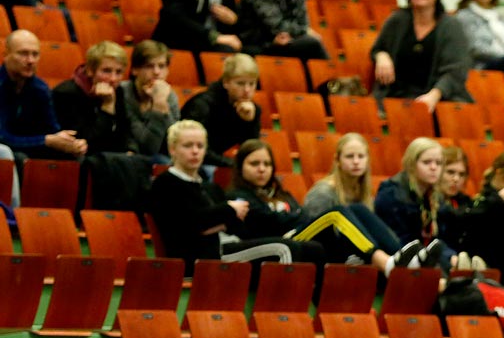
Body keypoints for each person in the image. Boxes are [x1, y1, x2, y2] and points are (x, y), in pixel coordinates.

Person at [147, 119, 323, 272]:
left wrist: (219, 219)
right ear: (172, 149)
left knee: (314, 248)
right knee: (284, 247)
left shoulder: (210, 187)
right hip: (204, 254)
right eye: (188, 146)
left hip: (230, 244)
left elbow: (235, 225)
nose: (195, 151)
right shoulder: (166, 183)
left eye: (200, 146)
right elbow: (188, 225)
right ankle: (281, 308)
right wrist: (227, 211)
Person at [225, 137, 413, 272]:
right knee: (337, 213)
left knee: (357, 209)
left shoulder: (280, 193)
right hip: (280, 241)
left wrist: (290, 217)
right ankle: (385, 262)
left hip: (298, 235)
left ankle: (403, 257)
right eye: (254, 164)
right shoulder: (239, 196)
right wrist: (292, 217)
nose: (262, 169)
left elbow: (292, 216)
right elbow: (268, 221)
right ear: (241, 167)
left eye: (267, 164)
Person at [371, 0, 471, 111]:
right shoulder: (397, 20)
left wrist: (434, 95)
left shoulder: (451, 26)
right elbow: (378, 48)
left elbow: (456, 71)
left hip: (439, 99)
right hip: (394, 97)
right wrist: (381, 55)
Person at [301, 132, 404, 258]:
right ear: (337, 160)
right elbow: (315, 234)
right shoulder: (323, 193)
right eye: (349, 157)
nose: (356, 162)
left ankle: (400, 256)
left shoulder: (364, 193)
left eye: (361, 156)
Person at [0, 30, 85, 163]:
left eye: (35, 54)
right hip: (6, 149)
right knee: (17, 157)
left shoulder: (40, 88)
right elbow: (2, 137)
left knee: (74, 156)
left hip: (29, 146)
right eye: (23, 53)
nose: (30, 60)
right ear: (6, 55)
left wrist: (69, 142)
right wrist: (45, 140)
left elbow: (52, 130)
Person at [375, 136, 455, 270]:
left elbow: (438, 238)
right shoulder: (391, 193)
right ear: (412, 164)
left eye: (439, 163)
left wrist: (450, 256)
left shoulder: (435, 196)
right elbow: (398, 241)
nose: (434, 167)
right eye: (427, 162)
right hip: (399, 258)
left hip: (425, 256)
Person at [182, 52, 261, 166]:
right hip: (187, 159)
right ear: (226, 82)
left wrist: (249, 122)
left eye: (252, 83)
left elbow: (251, 151)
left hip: (213, 159)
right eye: (240, 83)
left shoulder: (251, 109)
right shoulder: (202, 105)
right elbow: (193, 148)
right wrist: (232, 164)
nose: (247, 90)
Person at [51, 39, 128, 153]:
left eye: (118, 72)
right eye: (106, 71)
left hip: (111, 157)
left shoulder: (118, 90)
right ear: (90, 70)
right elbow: (86, 141)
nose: (113, 79)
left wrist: (131, 150)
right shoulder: (67, 93)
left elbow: (124, 132)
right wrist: (107, 107)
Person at [118, 40, 179, 162]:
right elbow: (147, 148)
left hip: (161, 155)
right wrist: (158, 106)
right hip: (126, 154)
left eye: (161, 66)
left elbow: (173, 141)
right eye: (149, 66)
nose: (157, 72)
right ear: (135, 70)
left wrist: (161, 102)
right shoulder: (122, 93)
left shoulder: (170, 96)